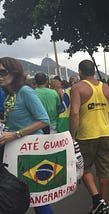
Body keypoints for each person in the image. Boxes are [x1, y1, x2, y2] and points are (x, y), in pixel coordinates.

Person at [69, 60, 109, 214]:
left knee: (84, 168)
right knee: (104, 170)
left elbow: (74, 113)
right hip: (104, 134)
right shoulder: (105, 88)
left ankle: (97, 200)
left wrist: (72, 136)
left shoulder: (78, 88)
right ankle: (102, 203)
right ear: (93, 70)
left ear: (80, 71)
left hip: (86, 135)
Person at [0, 57, 53, 214]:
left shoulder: (25, 91)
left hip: (30, 150)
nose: (0, 76)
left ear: (15, 73)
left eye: (3, 72)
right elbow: (13, 119)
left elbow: (44, 120)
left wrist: (15, 134)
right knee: (17, 193)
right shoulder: (10, 95)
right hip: (15, 150)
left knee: (37, 196)